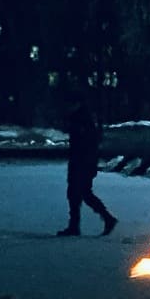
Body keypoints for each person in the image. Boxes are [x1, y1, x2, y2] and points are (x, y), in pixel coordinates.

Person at [57, 93, 117, 237]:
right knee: (79, 193)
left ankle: (100, 220)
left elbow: (86, 143)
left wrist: (87, 162)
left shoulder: (82, 119)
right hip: (82, 161)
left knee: (79, 193)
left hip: (82, 162)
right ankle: (81, 224)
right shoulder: (82, 118)